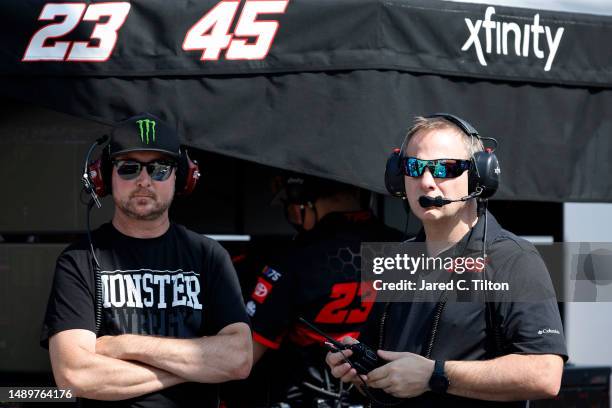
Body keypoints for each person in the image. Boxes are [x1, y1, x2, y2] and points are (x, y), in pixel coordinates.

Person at [326, 114, 568, 407]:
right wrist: (359, 366)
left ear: (479, 175)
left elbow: (544, 374)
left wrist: (434, 375)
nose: (426, 181)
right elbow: (389, 375)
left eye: (444, 168)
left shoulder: (513, 259)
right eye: (414, 168)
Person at [41, 113, 252, 407]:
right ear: (103, 177)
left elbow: (239, 358)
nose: (143, 180)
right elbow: (74, 374)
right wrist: (195, 368)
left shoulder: (209, 256)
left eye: (160, 169)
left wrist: (124, 345)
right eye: (128, 168)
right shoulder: (78, 260)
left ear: (181, 177)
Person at [233, 173, 405, 407]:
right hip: (389, 394)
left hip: (305, 397)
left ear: (301, 198)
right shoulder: (406, 249)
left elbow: (243, 357)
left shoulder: (292, 258)